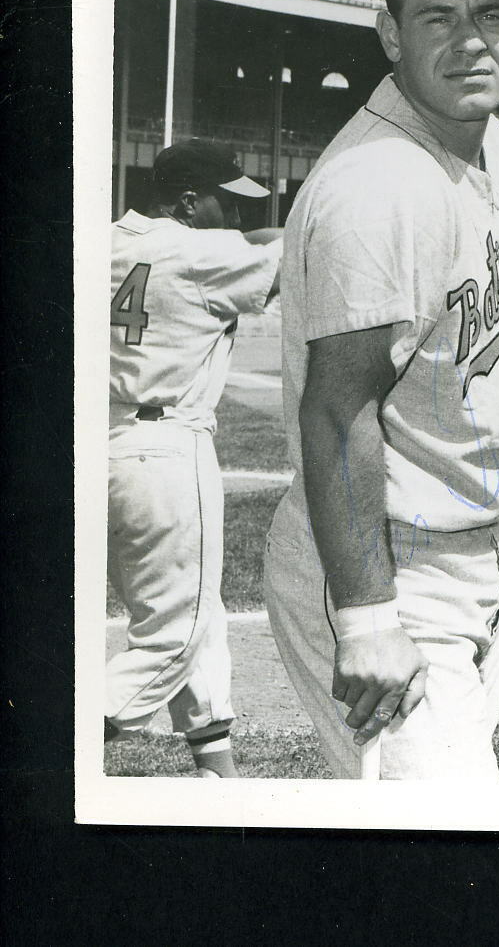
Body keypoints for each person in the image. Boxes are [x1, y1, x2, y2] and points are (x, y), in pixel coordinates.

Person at [265, 0, 499, 781]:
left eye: (490, 14)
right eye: (437, 17)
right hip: (393, 567)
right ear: (389, 31)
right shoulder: (380, 186)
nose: (470, 42)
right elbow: (337, 407)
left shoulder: (488, 138)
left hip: (472, 556)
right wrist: (368, 618)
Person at [107, 139, 282, 778]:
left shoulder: (116, 237)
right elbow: (301, 256)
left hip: (105, 449)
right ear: (187, 202)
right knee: (171, 640)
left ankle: (218, 771)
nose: (235, 219)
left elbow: (257, 236)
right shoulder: (204, 253)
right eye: (224, 204)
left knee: (195, 620)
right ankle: (56, 743)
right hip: (168, 452)